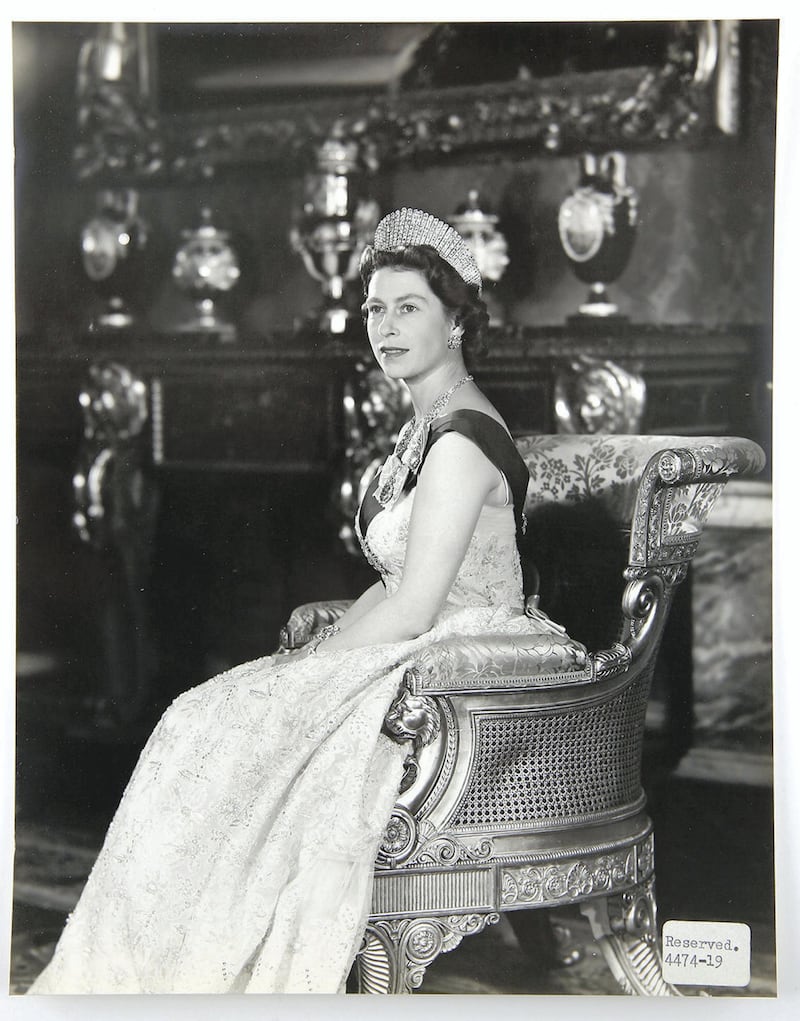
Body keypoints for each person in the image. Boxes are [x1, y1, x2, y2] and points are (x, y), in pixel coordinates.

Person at [28, 207, 545, 994]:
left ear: (458, 322)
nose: (387, 326)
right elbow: (394, 584)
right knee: (204, 716)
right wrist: (305, 665)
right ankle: (149, 973)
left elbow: (415, 609)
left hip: (458, 662)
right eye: (375, 308)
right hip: (420, 636)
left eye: (410, 307)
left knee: (231, 722)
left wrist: (306, 680)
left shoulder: (463, 440)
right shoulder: (424, 429)